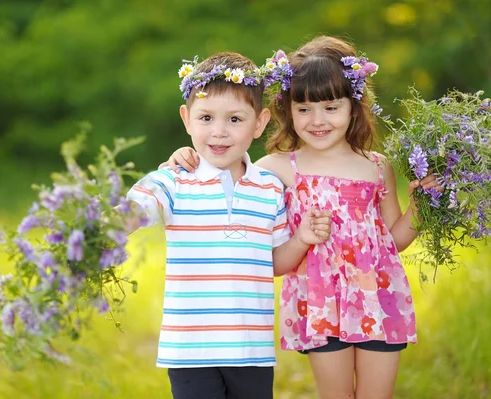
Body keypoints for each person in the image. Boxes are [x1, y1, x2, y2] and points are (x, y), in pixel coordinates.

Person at [161, 36, 443, 399]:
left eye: (330, 107)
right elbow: (220, 164)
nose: (317, 120)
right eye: (304, 109)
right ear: (287, 110)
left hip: (380, 296)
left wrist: (420, 206)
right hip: (320, 302)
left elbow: (393, 241)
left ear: (353, 107)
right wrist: (183, 157)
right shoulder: (278, 167)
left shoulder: (376, 167)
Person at [124, 51, 332, 399]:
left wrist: (301, 239)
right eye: (206, 117)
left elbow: (276, 263)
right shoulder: (174, 180)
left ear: (260, 122)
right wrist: (98, 228)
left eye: (235, 119)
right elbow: (135, 208)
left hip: (251, 350)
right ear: (187, 119)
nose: (219, 132)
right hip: (190, 351)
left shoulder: (269, 188)